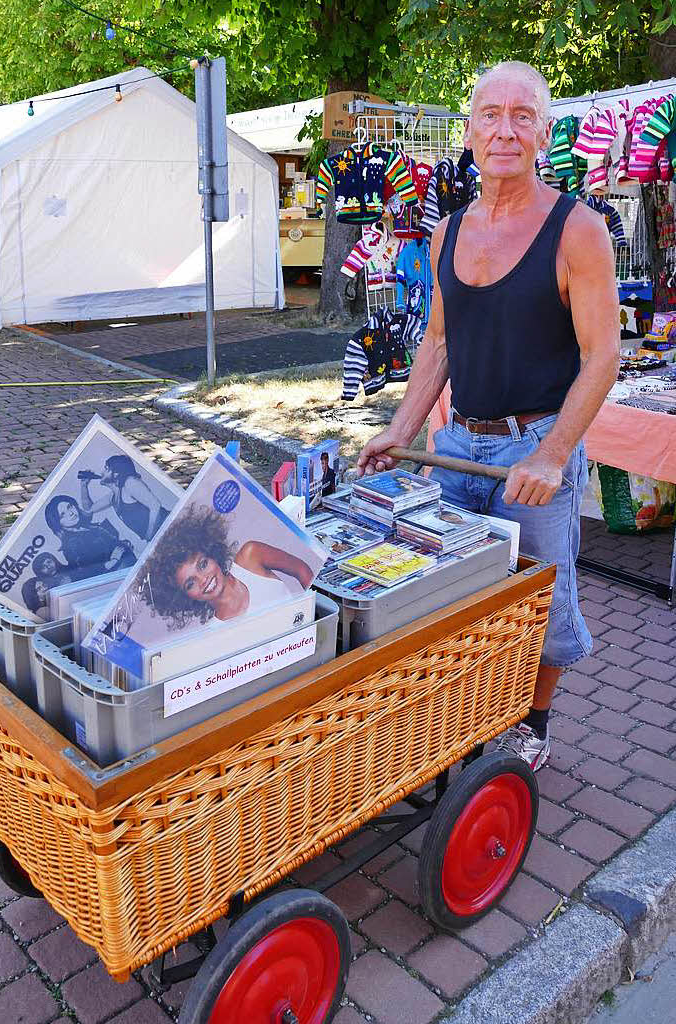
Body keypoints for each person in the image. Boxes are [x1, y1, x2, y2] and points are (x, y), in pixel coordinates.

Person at [357, 61, 620, 771]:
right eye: (490, 114)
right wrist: (401, 431)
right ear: (468, 128)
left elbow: (602, 357)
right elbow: (438, 340)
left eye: (522, 115)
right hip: (456, 449)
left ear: (542, 131)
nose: (504, 129)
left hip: (532, 450)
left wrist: (552, 454)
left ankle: (532, 724)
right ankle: (467, 713)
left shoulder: (577, 229)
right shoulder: (445, 232)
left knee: (543, 601)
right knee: (452, 599)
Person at [143, 506, 315, 628]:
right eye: (190, 583)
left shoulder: (251, 555)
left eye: (202, 564)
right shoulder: (214, 634)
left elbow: (303, 571)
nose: (203, 580)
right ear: (183, 596)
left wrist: (313, 620)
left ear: (213, 553)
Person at [78, 454, 167, 543]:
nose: (102, 472)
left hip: (166, 527)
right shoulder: (113, 497)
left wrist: (150, 537)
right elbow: (89, 509)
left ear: (116, 473)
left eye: (106, 469)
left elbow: (155, 506)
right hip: (161, 537)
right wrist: (84, 485)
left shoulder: (130, 483)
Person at [44, 495, 136, 579]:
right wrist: (113, 561)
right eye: (63, 515)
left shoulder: (90, 527)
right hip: (119, 577)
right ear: (58, 523)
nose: (71, 513)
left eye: (70, 506)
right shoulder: (72, 544)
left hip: (130, 567)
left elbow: (112, 544)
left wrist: (123, 544)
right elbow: (86, 572)